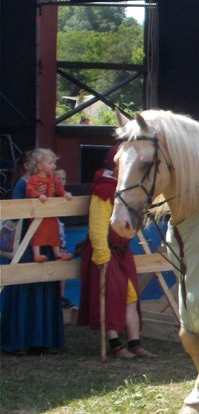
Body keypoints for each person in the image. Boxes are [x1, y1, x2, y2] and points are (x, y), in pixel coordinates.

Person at [77, 145, 155, 359]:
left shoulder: (128, 190)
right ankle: (114, 344)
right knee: (110, 297)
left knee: (130, 296)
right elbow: (98, 224)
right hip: (107, 251)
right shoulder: (104, 189)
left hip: (122, 251)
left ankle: (134, 342)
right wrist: (101, 253)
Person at [0, 150, 65, 354]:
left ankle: (43, 340)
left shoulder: (53, 181)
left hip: (46, 239)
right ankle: (19, 340)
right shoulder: (24, 183)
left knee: (45, 284)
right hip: (27, 242)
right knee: (25, 285)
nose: (53, 166)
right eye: (50, 162)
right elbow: (17, 212)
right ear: (37, 165)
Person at [25, 149, 73, 262]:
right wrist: (38, 195)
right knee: (37, 232)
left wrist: (65, 194)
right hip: (38, 212)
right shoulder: (34, 178)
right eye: (50, 163)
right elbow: (29, 190)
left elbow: (59, 189)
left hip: (50, 212)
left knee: (54, 232)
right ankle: (36, 255)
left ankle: (58, 254)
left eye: (54, 163)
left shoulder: (52, 178)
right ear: (40, 166)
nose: (54, 166)